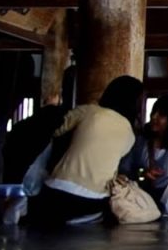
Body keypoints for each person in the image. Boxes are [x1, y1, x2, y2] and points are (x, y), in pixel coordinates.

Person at [25, 75, 144, 226]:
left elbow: (54, 129)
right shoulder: (130, 135)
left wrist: (50, 107)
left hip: (57, 194)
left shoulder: (89, 111)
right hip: (93, 202)